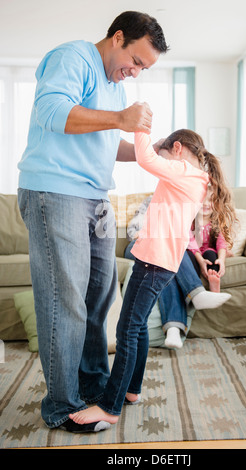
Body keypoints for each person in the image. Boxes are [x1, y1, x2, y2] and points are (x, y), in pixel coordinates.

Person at [17, 11, 168, 433]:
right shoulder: (73, 58)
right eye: (135, 61)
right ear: (117, 37)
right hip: (56, 191)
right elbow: (52, 112)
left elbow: (102, 137)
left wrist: (145, 149)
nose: (134, 73)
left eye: (143, 68)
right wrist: (121, 119)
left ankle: (95, 386)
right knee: (64, 302)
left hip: (95, 197)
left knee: (98, 298)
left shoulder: (114, 86)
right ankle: (62, 406)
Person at [69, 128, 231, 427]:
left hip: (154, 262)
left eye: (166, 153)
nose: (162, 160)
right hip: (158, 261)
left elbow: (144, 158)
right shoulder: (197, 178)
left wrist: (139, 126)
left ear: (178, 148)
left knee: (126, 330)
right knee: (138, 326)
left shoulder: (183, 170)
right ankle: (131, 390)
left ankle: (110, 407)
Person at [124, 193, 234, 349]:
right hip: (140, 245)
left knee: (167, 264)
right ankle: (195, 295)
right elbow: (132, 232)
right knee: (166, 246)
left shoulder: (185, 205)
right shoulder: (152, 200)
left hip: (165, 251)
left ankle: (173, 330)